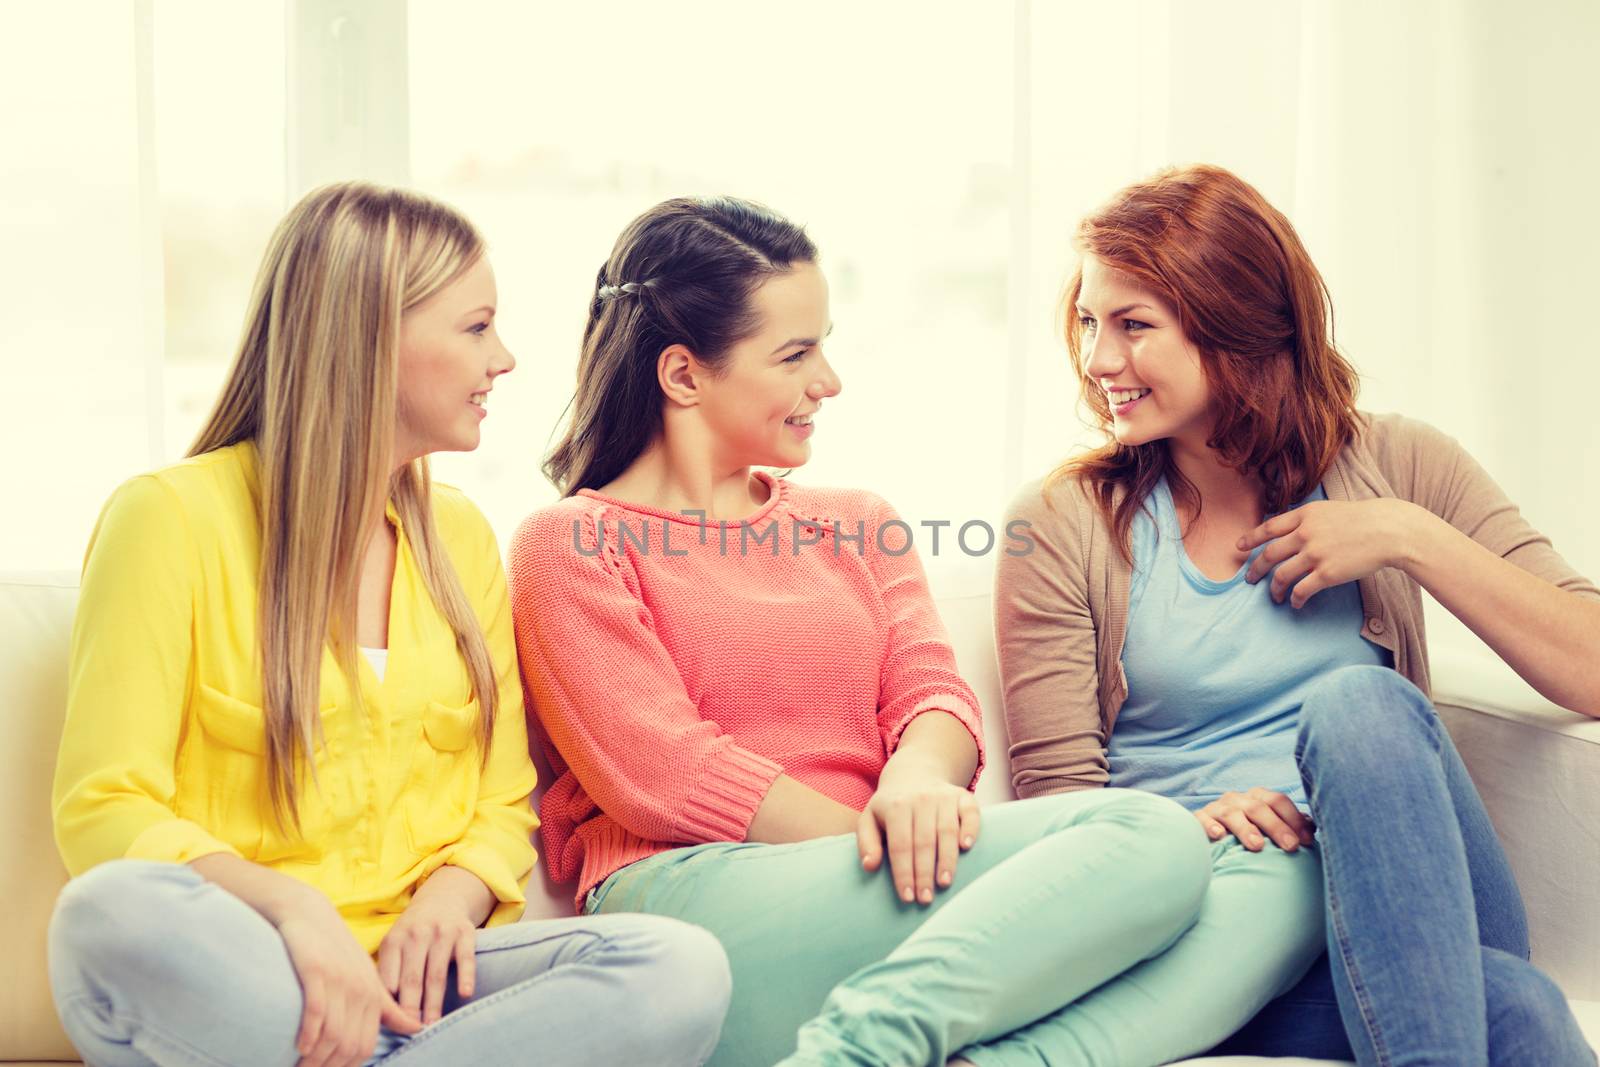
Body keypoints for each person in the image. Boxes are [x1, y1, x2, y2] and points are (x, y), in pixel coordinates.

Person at [510, 195, 1326, 1067]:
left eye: (824, 344)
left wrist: (914, 783)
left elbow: (932, 694)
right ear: (683, 374)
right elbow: (668, 772)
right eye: (795, 354)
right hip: (698, 907)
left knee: (1287, 878)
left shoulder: (859, 521)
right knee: (1149, 836)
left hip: (879, 882)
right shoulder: (569, 543)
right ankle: (860, 1051)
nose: (828, 380)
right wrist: (892, 835)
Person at [48, 182, 731, 1067]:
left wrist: (449, 901)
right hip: (256, 969)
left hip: (427, 983)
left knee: (677, 967)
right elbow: (104, 806)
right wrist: (294, 915)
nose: (506, 358)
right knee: (108, 917)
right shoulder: (167, 519)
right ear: (373, 337)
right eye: (477, 326)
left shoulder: (462, 539)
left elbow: (499, 800)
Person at [995, 163, 1598, 1066]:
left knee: (1360, 704)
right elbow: (1056, 806)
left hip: (1416, 890)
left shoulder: (1400, 465)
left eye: (1132, 325)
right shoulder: (1062, 522)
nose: (1098, 359)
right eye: (1088, 320)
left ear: (1235, 329)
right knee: (1518, 1008)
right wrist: (1187, 821)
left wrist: (1408, 535)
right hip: (1218, 923)